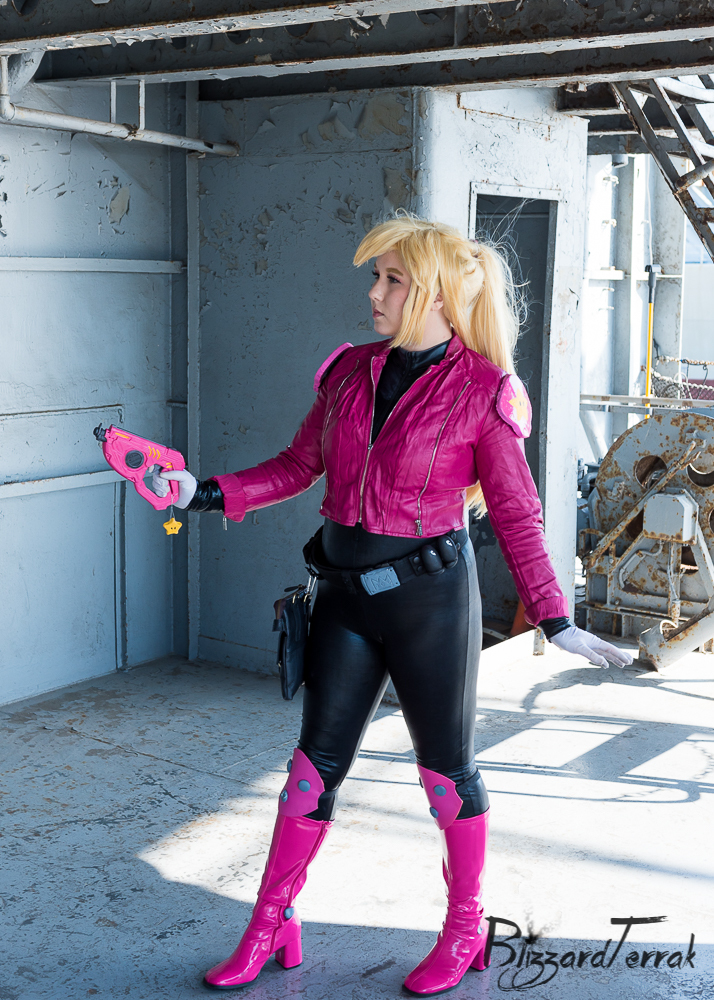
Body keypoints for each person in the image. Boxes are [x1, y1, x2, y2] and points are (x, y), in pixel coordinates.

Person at [153, 214, 633, 996]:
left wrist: (555, 617)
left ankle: (464, 930)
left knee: (446, 777)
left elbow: (516, 512)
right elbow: (296, 465)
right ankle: (271, 923)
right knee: (308, 776)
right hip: (343, 603)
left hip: (430, 607)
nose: (374, 293)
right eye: (376, 277)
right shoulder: (350, 371)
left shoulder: (483, 391)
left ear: (436, 294)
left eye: (392, 279)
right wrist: (201, 492)